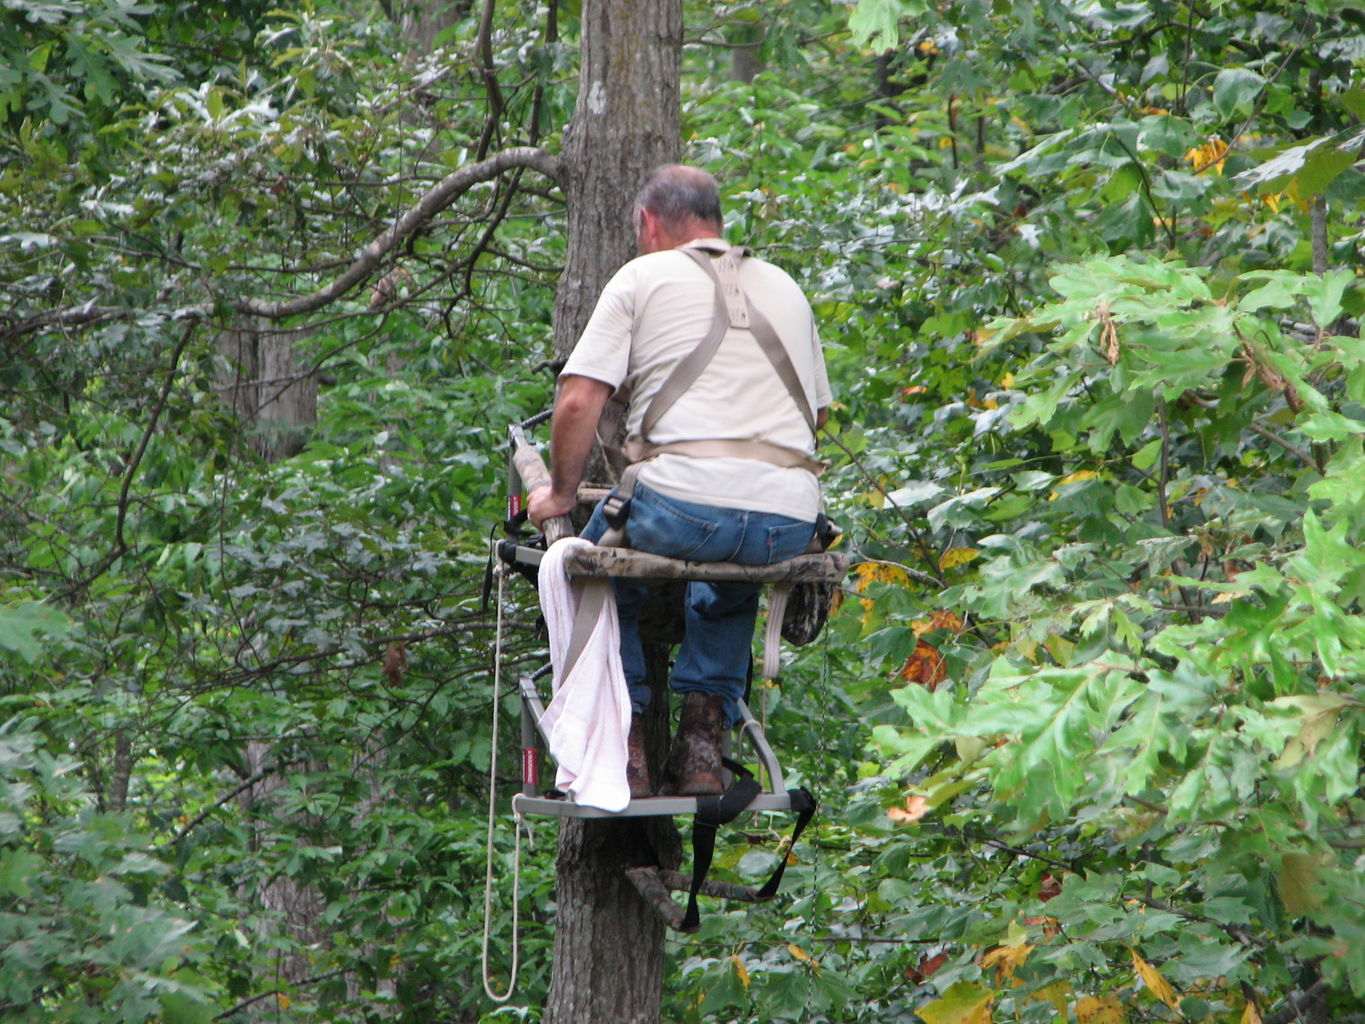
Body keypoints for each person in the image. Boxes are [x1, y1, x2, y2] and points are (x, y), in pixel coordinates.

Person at [528, 164, 830, 797]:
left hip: (682, 513)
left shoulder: (641, 277)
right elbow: (818, 416)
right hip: (788, 523)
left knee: (594, 561)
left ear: (647, 221)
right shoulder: (787, 288)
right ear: (717, 220)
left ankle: (626, 742)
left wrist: (557, 494)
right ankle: (701, 742)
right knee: (728, 572)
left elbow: (578, 401)